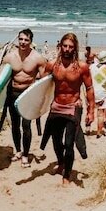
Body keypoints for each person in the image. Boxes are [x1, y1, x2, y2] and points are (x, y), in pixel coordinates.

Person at [44, 32, 95, 185]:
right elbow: (41, 87)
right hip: (56, 106)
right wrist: (36, 108)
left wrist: (91, 111)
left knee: (69, 143)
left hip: (74, 107)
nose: (67, 49)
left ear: (75, 48)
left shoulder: (82, 67)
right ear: (60, 47)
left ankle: (67, 175)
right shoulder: (52, 65)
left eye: (70, 47)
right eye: (64, 46)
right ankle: (61, 162)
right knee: (56, 141)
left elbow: (90, 88)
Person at [2, 28, 48, 167]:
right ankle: (18, 151)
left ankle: (26, 155)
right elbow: (1, 78)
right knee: (15, 125)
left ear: (31, 41)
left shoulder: (38, 58)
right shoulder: (9, 57)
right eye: (21, 39)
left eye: (26, 40)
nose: (23, 42)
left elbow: (45, 80)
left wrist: (43, 99)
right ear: (17, 39)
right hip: (13, 94)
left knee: (26, 125)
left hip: (28, 95)